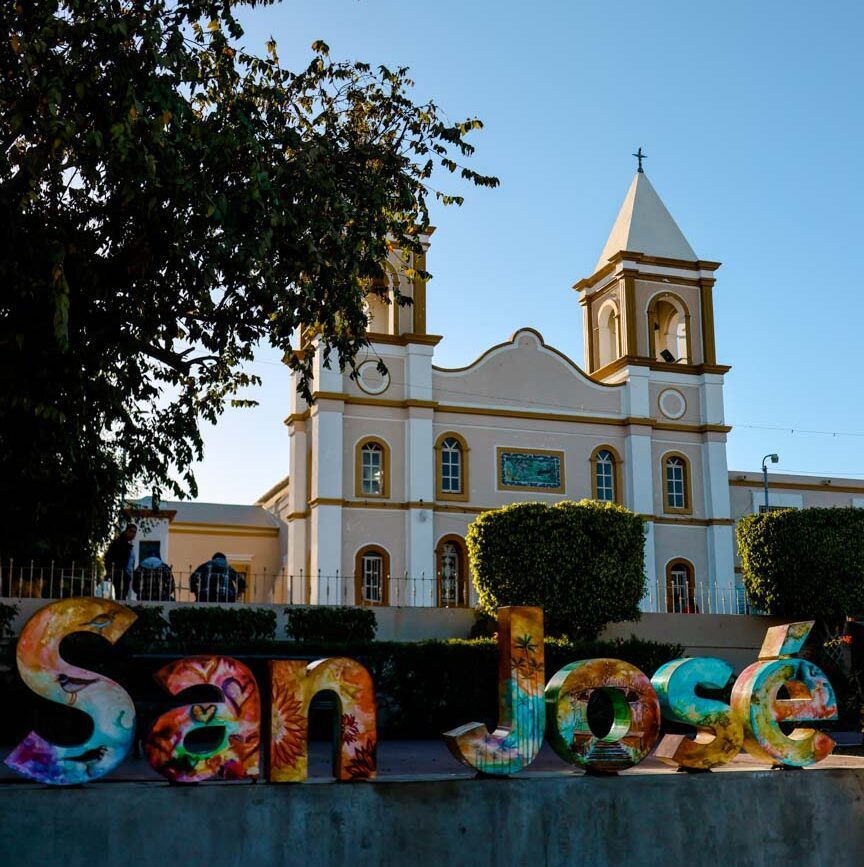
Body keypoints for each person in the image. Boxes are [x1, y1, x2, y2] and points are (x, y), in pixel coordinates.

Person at [104, 523, 137, 601]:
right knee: (120, 596)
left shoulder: (126, 544)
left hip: (125, 575)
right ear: (126, 531)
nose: (133, 534)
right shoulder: (119, 543)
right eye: (131, 531)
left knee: (122, 596)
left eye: (135, 532)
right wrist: (110, 570)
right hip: (120, 574)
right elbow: (109, 557)